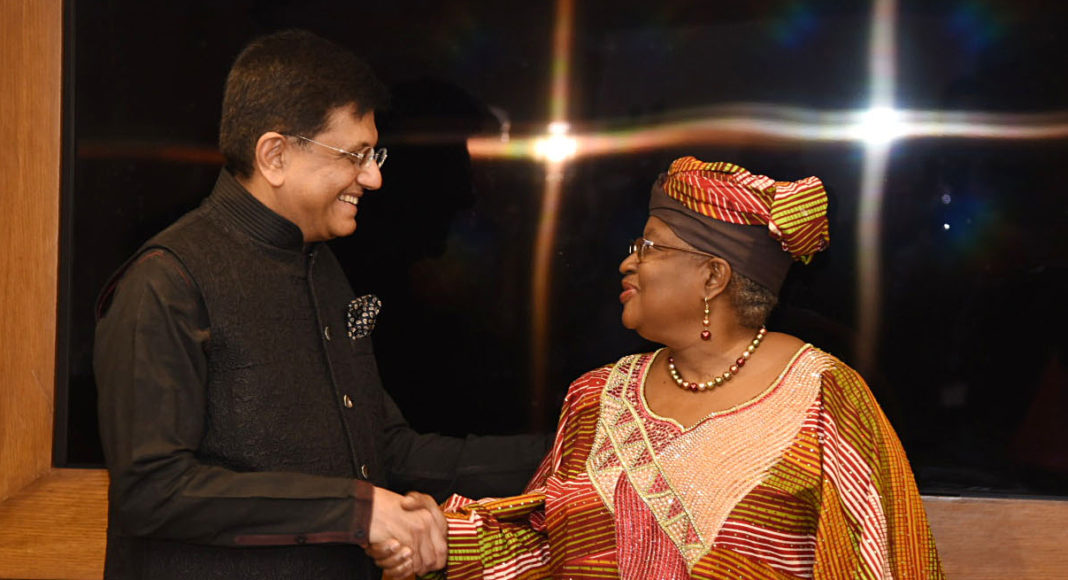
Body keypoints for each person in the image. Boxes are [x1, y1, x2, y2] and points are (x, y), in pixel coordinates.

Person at [93, 29, 547, 580]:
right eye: (355, 155)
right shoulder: (167, 280)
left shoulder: (323, 267)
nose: (374, 177)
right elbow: (152, 489)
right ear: (275, 155)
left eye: (372, 154)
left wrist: (573, 448)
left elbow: (386, 450)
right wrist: (359, 510)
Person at [373, 157, 945, 578]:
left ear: (713, 276)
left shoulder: (823, 397)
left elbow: (884, 561)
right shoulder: (598, 396)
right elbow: (548, 541)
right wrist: (443, 540)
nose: (629, 262)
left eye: (651, 246)